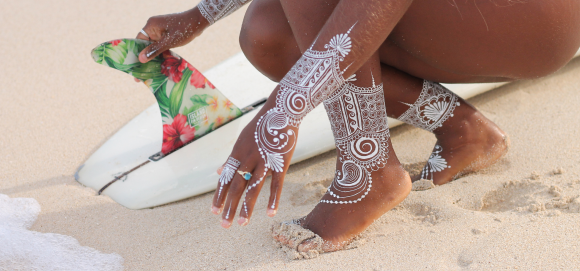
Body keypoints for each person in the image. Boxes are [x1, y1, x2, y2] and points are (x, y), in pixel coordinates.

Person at [136, 0, 580, 253]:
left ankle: (367, 169)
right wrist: (199, 16)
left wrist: (282, 110)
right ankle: (460, 128)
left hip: (534, 16)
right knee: (269, 33)